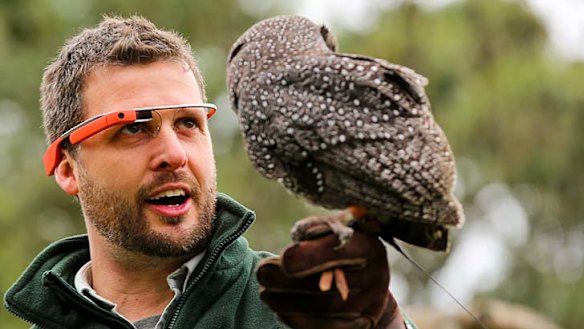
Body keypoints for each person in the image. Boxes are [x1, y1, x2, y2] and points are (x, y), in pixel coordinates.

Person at [4, 16, 416, 329]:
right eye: (133, 127)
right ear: (66, 169)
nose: (174, 154)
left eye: (188, 123)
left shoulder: (302, 310)